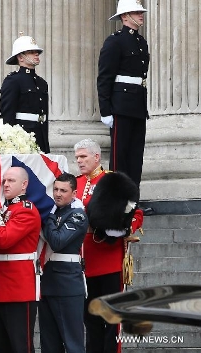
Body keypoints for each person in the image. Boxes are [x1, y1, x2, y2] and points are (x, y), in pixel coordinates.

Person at [73, 139, 142, 353]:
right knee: (90, 319)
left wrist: (124, 227)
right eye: (77, 158)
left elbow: (135, 212)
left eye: (83, 157)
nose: (79, 161)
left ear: (96, 157)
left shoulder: (112, 181)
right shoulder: (76, 183)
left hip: (108, 259)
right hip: (84, 262)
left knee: (112, 319)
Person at [0, 166, 41, 353]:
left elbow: (4, 239)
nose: (5, 184)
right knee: (0, 346)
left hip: (18, 287)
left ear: (24, 185)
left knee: (20, 346)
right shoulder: (5, 209)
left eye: (11, 181)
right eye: (4, 180)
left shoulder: (26, 210)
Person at [97, 0, 149, 189]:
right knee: (120, 157)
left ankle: (133, 201)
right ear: (124, 16)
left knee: (135, 156)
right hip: (121, 106)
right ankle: (118, 201)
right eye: (136, 12)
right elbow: (105, 77)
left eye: (140, 12)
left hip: (137, 105)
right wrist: (105, 111)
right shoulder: (115, 41)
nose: (140, 15)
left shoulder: (141, 42)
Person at [39, 173, 88, 353]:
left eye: (63, 190)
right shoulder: (55, 212)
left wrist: (49, 217)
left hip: (67, 283)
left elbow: (58, 241)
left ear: (74, 193)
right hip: (48, 281)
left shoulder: (77, 215)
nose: (58, 194)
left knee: (72, 343)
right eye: (56, 189)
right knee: (49, 343)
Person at [0, 34, 50, 153]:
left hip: (40, 136)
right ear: (21, 57)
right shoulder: (13, 81)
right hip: (22, 139)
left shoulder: (42, 83)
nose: (36, 54)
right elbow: (7, 116)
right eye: (31, 52)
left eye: (36, 51)